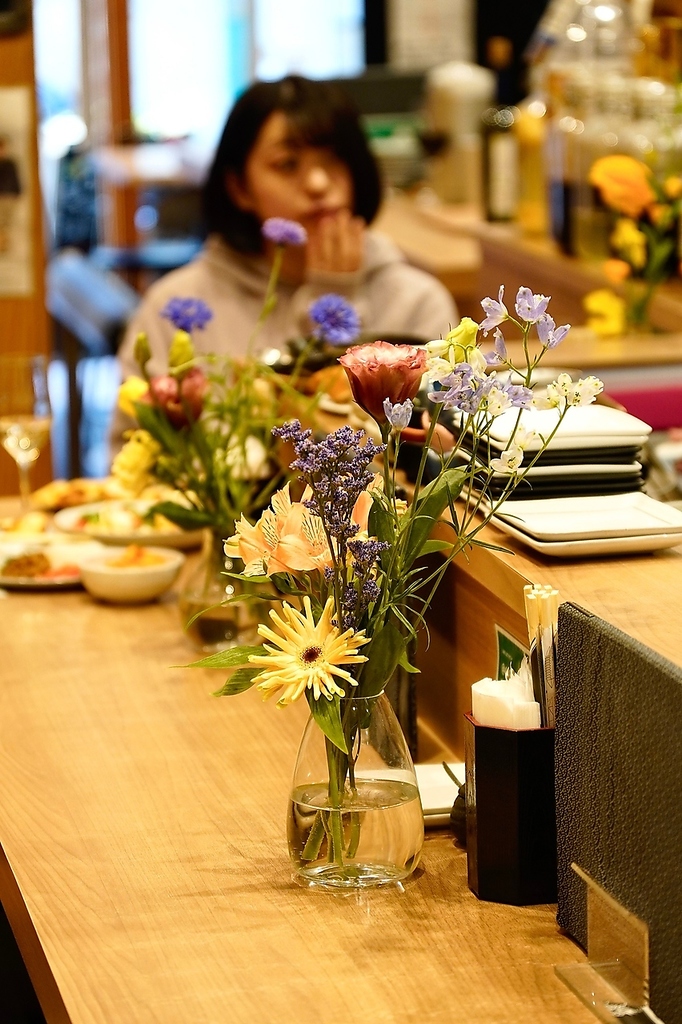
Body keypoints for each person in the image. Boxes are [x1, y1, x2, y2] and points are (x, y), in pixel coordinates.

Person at [117, 74, 457, 382]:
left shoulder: (417, 303)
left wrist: (333, 295)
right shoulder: (178, 308)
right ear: (239, 188)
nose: (318, 182)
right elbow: (128, 443)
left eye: (335, 159)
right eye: (287, 165)